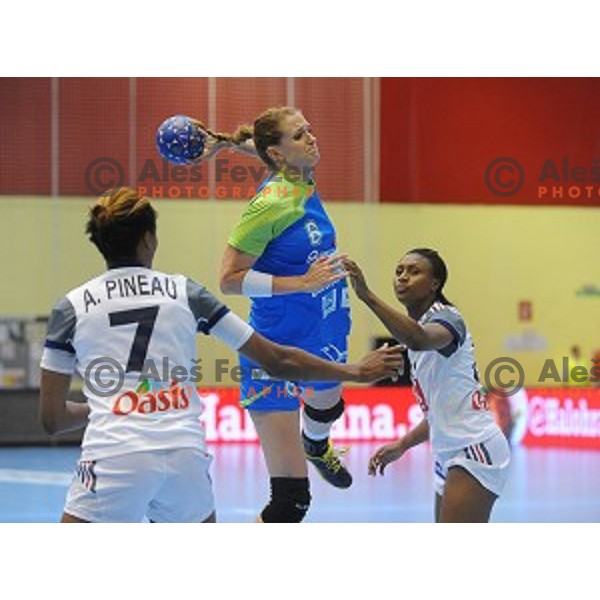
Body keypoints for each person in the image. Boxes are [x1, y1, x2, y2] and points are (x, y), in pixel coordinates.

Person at [39, 187, 402, 523]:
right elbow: (277, 360)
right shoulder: (184, 292)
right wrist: (354, 370)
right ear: (150, 239)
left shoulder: (70, 308)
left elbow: (52, 420)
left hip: (114, 456)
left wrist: (116, 402)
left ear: (99, 243)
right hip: (184, 457)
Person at [197, 106, 357, 522]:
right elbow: (229, 279)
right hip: (273, 348)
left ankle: (317, 444)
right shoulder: (271, 203)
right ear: (280, 154)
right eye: (301, 135)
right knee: (291, 502)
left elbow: (262, 149)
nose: (313, 138)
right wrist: (300, 283)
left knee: (326, 406)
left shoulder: (299, 177)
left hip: (324, 324)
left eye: (309, 129)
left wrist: (225, 143)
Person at [343, 249, 511, 522]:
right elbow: (438, 412)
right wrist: (402, 444)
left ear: (435, 284)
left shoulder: (447, 319)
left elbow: (418, 338)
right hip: (448, 452)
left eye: (414, 271)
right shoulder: (418, 329)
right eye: (399, 271)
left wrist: (367, 295)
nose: (403, 277)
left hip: (474, 447)